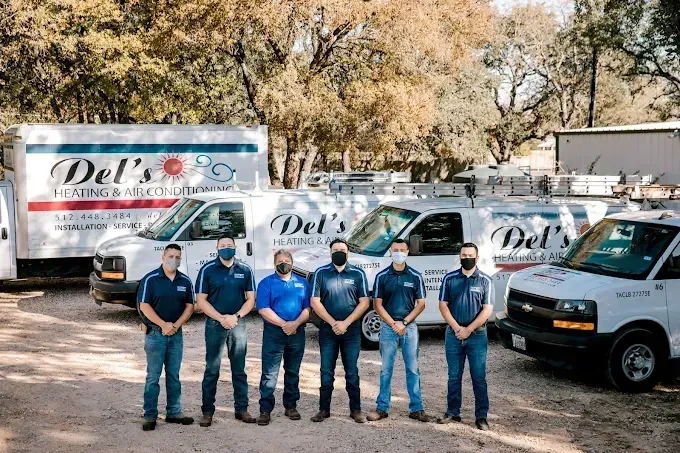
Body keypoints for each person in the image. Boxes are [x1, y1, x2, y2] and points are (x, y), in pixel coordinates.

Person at [366, 239, 435, 423]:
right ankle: (382, 408)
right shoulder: (382, 276)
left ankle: (416, 408)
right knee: (386, 370)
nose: (398, 253)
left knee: (412, 369)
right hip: (388, 328)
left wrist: (404, 323)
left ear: (407, 252)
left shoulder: (415, 276)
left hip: (409, 328)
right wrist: (393, 323)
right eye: (395, 250)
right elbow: (377, 304)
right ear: (390, 252)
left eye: (402, 250)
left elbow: (421, 304)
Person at [196, 233, 256, 427]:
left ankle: (242, 409)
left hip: (237, 324)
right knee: (212, 369)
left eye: (229, 244)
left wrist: (235, 317)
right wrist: (221, 318)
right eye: (223, 245)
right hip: (215, 324)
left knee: (239, 369)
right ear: (217, 248)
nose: (226, 247)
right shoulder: (207, 270)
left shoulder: (245, 269)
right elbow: (201, 300)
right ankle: (207, 412)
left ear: (235, 247)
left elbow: (251, 300)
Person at [309, 238, 370, 424]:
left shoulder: (358, 274)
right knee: (326, 371)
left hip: (351, 331)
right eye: (335, 250)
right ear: (330, 252)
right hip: (328, 330)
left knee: (352, 371)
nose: (339, 252)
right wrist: (333, 322)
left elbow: (364, 302)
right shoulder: (321, 273)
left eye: (342, 250)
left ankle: (356, 409)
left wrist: (346, 323)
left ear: (348, 253)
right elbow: (315, 301)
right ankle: (324, 409)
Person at [137, 243, 195, 431]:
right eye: (171, 256)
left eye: (178, 257)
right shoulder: (151, 279)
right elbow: (144, 306)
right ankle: (150, 415)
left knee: (173, 375)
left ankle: (174, 412)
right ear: (163, 257)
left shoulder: (185, 281)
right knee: (153, 376)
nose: (174, 260)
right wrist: (163, 325)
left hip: (176, 335)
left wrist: (175, 326)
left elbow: (189, 306)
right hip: (155, 334)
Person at [437, 242, 494, 431]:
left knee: (478, 377)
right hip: (453, 335)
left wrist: (469, 329)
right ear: (459, 257)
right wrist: (456, 328)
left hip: (477, 336)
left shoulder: (485, 280)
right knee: (454, 376)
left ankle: (481, 416)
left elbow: (487, 310)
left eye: (470, 255)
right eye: (463, 255)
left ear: (477, 258)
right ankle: (453, 412)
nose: (467, 258)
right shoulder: (450, 279)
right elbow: (443, 305)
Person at [255, 250, 311, 426]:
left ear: (292, 263)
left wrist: (295, 324)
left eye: (287, 260)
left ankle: (291, 406)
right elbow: (263, 309)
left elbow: (308, 309)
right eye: (280, 261)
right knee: (269, 372)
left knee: (293, 371)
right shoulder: (266, 283)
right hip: (274, 333)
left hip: (297, 332)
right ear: (274, 264)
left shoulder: (302, 284)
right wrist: (284, 325)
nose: (283, 263)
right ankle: (265, 410)